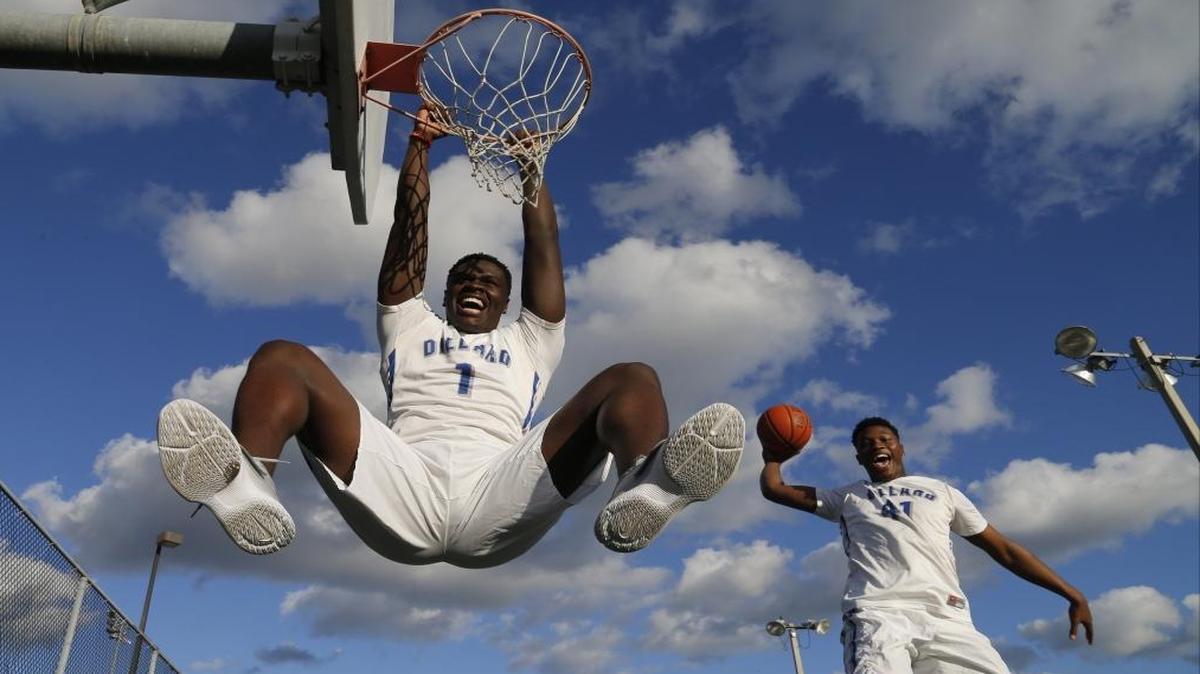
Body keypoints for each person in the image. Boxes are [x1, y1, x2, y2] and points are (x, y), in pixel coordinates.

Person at [156, 108, 745, 568]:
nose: (474, 285)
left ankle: (646, 480)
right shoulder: (408, 323)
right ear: (441, 295)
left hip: (504, 486)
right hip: (400, 476)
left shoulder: (533, 340)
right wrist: (418, 147)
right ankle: (247, 481)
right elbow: (408, 229)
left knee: (632, 378)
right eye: (462, 278)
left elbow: (544, 246)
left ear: (507, 303)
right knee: (283, 358)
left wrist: (531, 167)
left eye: (489, 282)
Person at [759, 416, 1093, 673]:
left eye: (884, 439)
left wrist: (1072, 593)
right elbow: (776, 489)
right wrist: (773, 454)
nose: (876, 444)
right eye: (865, 443)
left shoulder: (942, 492)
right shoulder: (846, 496)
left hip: (948, 617)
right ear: (859, 457)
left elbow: (1004, 549)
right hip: (880, 613)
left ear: (900, 447)